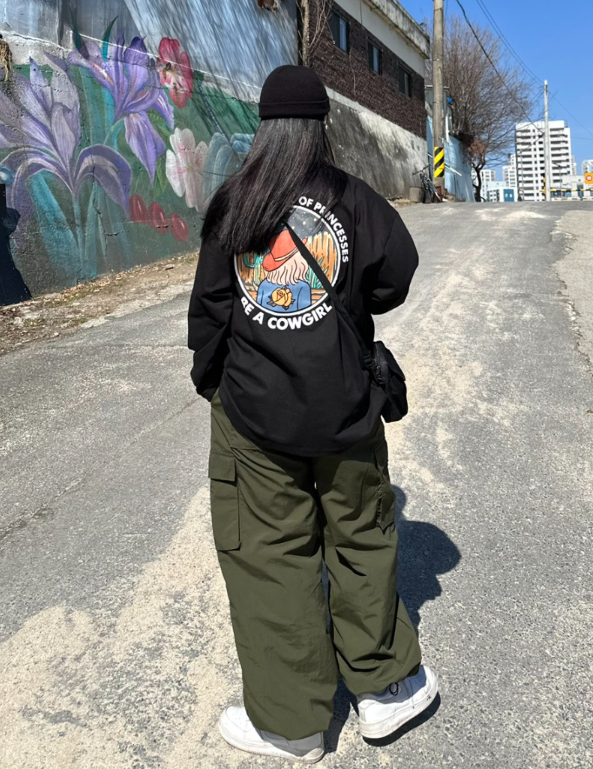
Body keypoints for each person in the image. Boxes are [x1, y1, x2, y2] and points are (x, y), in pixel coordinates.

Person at [188, 65, 437, 763]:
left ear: (265, 126)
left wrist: (216, 383)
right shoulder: (353, 198)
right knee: (361, 538)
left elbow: (210, 306)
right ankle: (385, 690)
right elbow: (396, 274)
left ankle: (291, 723)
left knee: (269, 556)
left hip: (254, 414)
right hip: (346, 405)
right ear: (321, 125)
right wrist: (347, 299)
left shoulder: (236, 200)